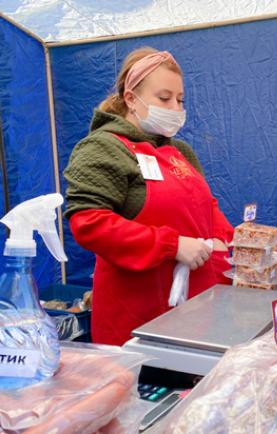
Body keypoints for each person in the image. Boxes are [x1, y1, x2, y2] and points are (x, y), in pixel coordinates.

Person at [64, 48, 234, 346]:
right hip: (138, 317)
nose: (174, 108)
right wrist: (172, 245)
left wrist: (234, 242)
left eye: (180, 100)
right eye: (164, 98)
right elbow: (89, 223)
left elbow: (209, 208)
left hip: (200, 311)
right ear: (131, 98)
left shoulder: (181, 152)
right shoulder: (102, 148)